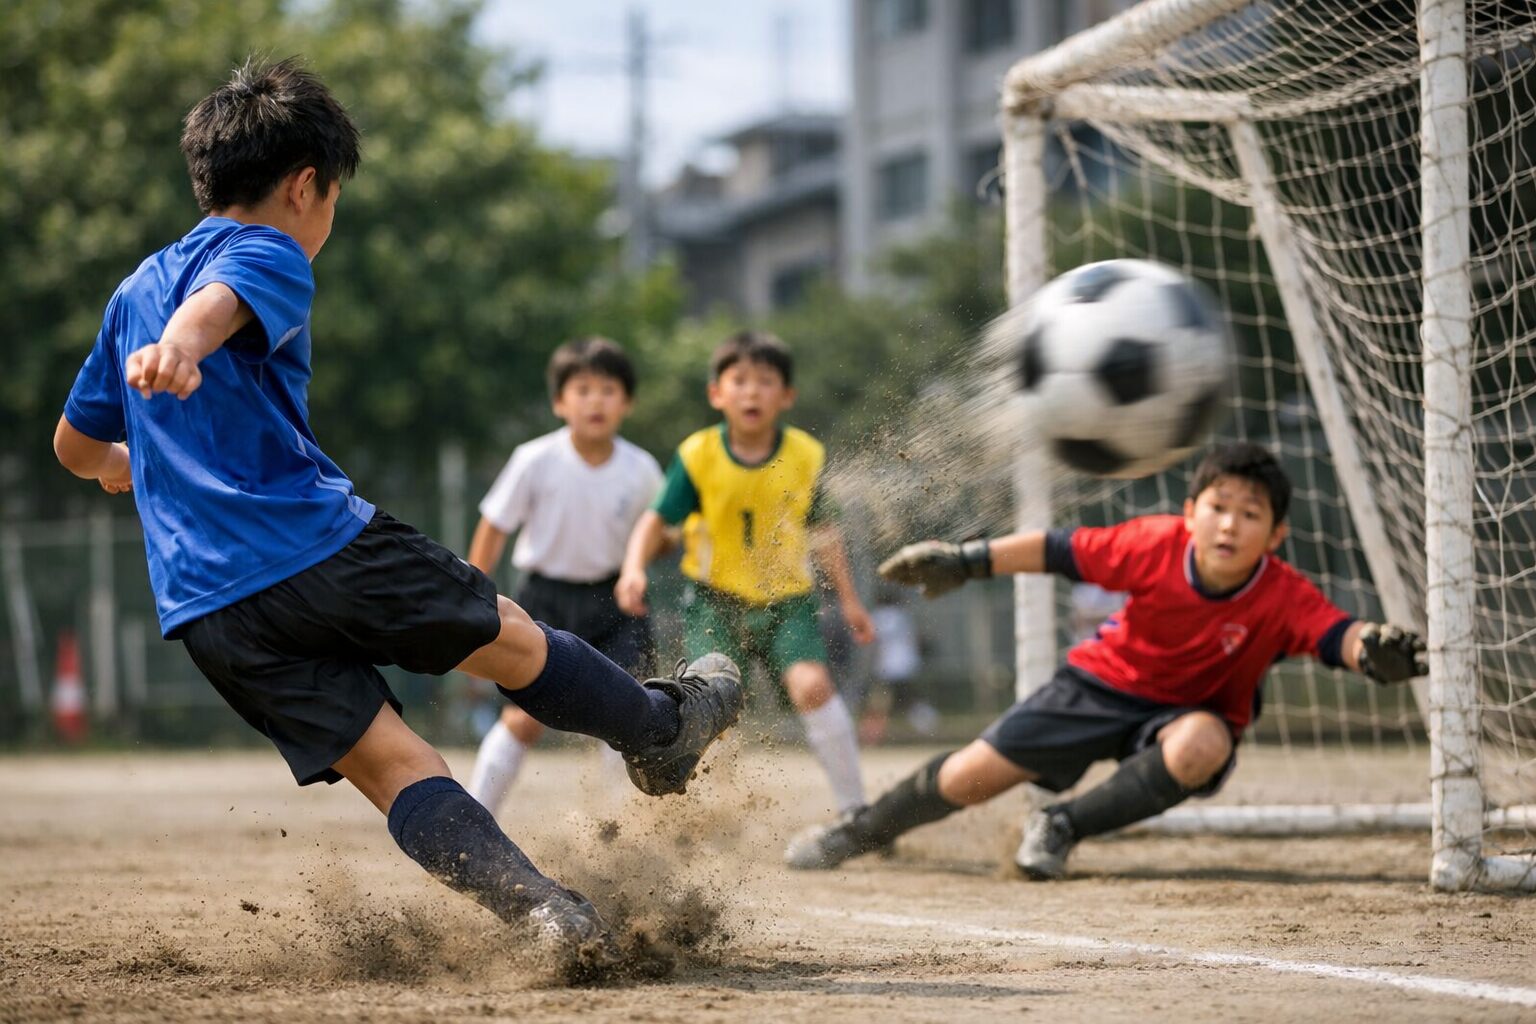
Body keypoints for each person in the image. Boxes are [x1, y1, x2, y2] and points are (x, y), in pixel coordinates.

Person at [50, 57, 741, 965]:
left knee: (392, 767)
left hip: (210, 608)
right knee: (512, 638)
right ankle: (663, 730)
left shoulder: (130, 290)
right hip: (316, 545)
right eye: (333, 198)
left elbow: (71, 446)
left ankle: (545, 913)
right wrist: (181, 348)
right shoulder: (265, 247)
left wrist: (127, 458)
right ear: (306, 185)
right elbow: (214, 309)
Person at [785, 442, 1426, 877]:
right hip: (1097, 684)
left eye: (1250, 515)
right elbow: (1058, 550)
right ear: (1191, 513)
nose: (1230, 526)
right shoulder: (1153, 543)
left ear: (1277, 534)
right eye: (1218, 508)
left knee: (1204, 744)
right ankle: (861, 831)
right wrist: (965, 559)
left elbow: (1337, 632)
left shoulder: (1283, 593)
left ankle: (1059, 827)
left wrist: (1371, 651)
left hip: (1188, 714)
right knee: (966, 779)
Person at [616, 331, 876, 815]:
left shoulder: (805, 455)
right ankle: (694, 815)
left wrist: (850, 600)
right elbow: (656, 520)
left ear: (787, 395)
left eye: (765, 381)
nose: (752, 392)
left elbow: (824, 533)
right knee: (711, 708)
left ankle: (855, 810)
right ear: (717, 393)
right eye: (739, 381)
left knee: (813, 687)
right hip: (715, 602)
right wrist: (633, 568)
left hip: (788, 603)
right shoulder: (698, 454)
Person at [465, 337, 662, 814]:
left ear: (627, 402)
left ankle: (619, 831)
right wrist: (470, 589)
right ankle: (473, 816)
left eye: (609, 389)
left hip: (615, 604)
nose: (596, 400)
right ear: (560, 401)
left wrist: (660, 549)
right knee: (524, 718)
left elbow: (661, 530)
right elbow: (494, 525)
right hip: (544, 602)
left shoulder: (642, 469)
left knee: (626, 712)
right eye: (583, 389)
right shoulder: (535, 459)